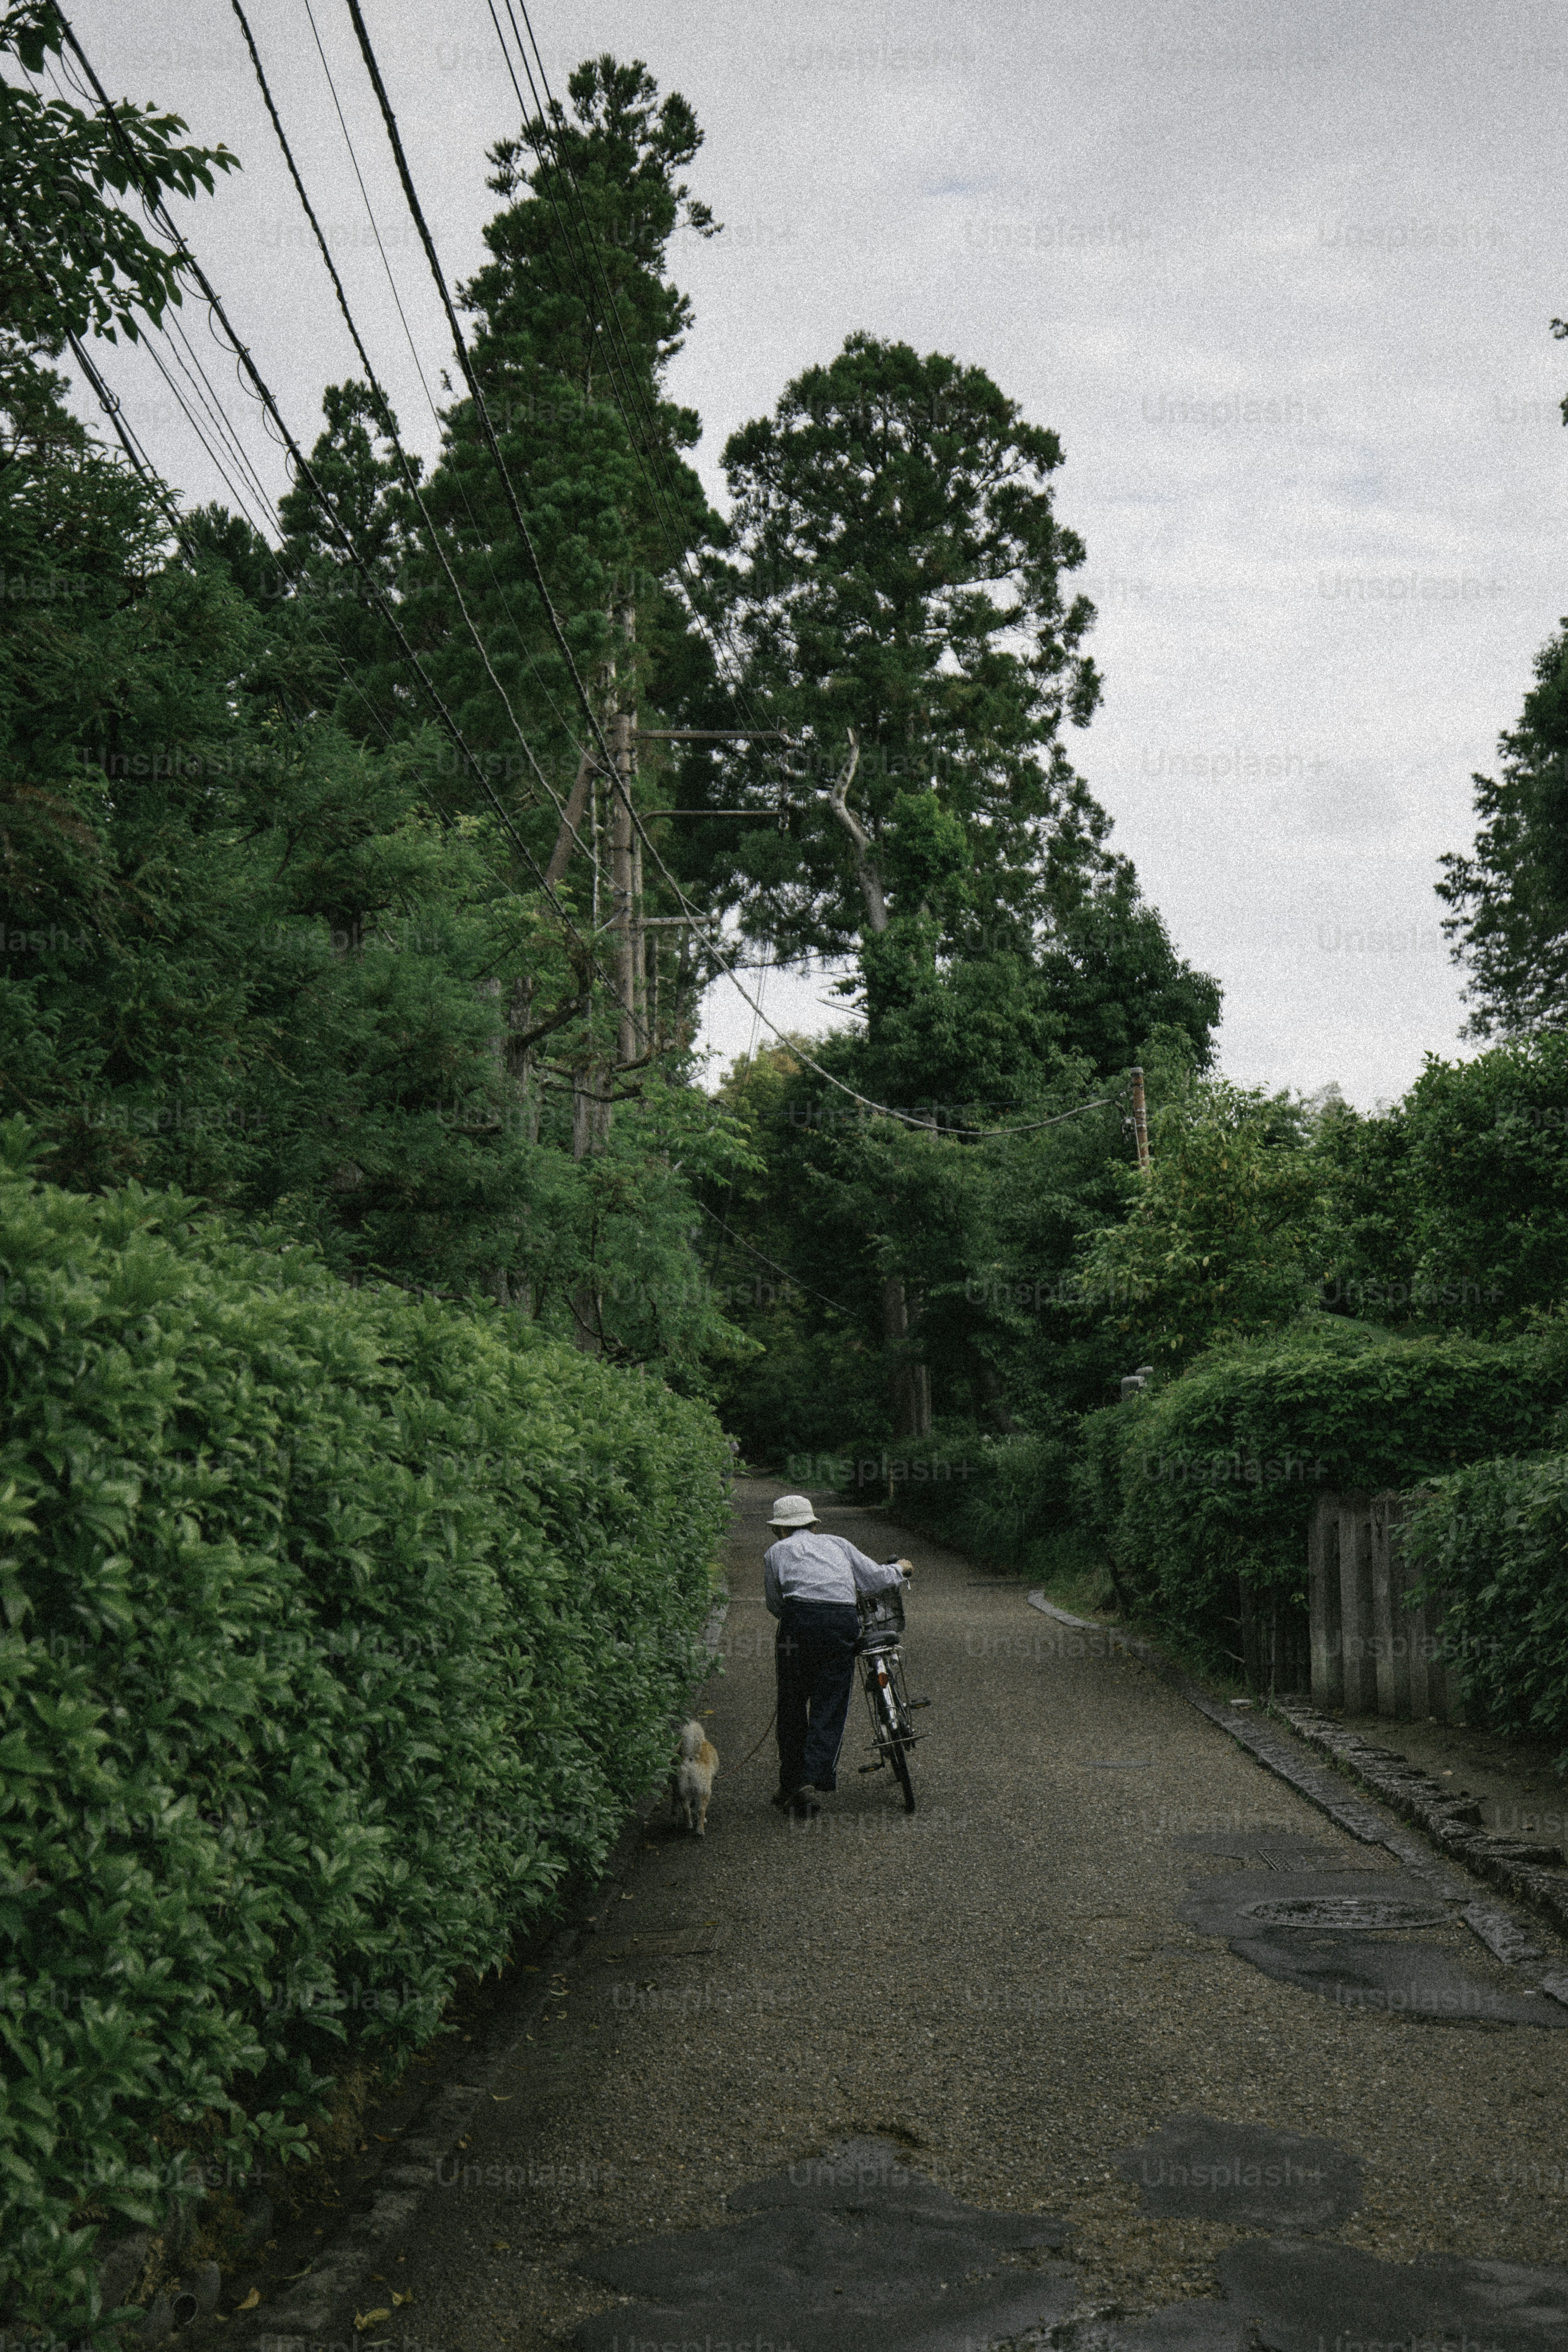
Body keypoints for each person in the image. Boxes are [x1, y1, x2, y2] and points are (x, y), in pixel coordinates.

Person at [762, 1493, 909, 1818]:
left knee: (791, 1702)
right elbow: (874, 1579)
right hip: (840, 1622)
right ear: (814, 1524)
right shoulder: (838, 1544)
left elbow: (775, 1604)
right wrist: (900, 1569)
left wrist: (799, 1622)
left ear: (779, 1530)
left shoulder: (775, 1552)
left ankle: (791, 1783)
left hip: (796, 1625)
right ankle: (812, 1778)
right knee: (830, 1703)